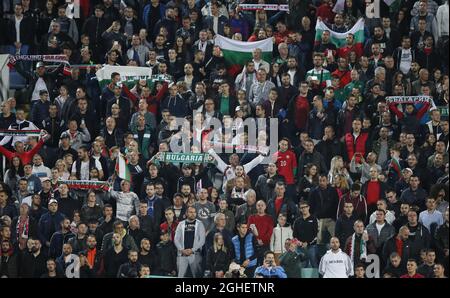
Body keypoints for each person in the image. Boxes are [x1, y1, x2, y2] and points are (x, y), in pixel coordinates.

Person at [173, 206, 205, 278]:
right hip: (182, 255)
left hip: (195, 254)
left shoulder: (200, 224)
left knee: (196, 276)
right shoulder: (181, 224)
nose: (193, 214)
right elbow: (176, 239)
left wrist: (192, 250)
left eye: (194, 212)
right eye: (191, 212)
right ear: (186, 213)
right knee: (180, 276)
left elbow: (202, 240)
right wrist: (182, 250)